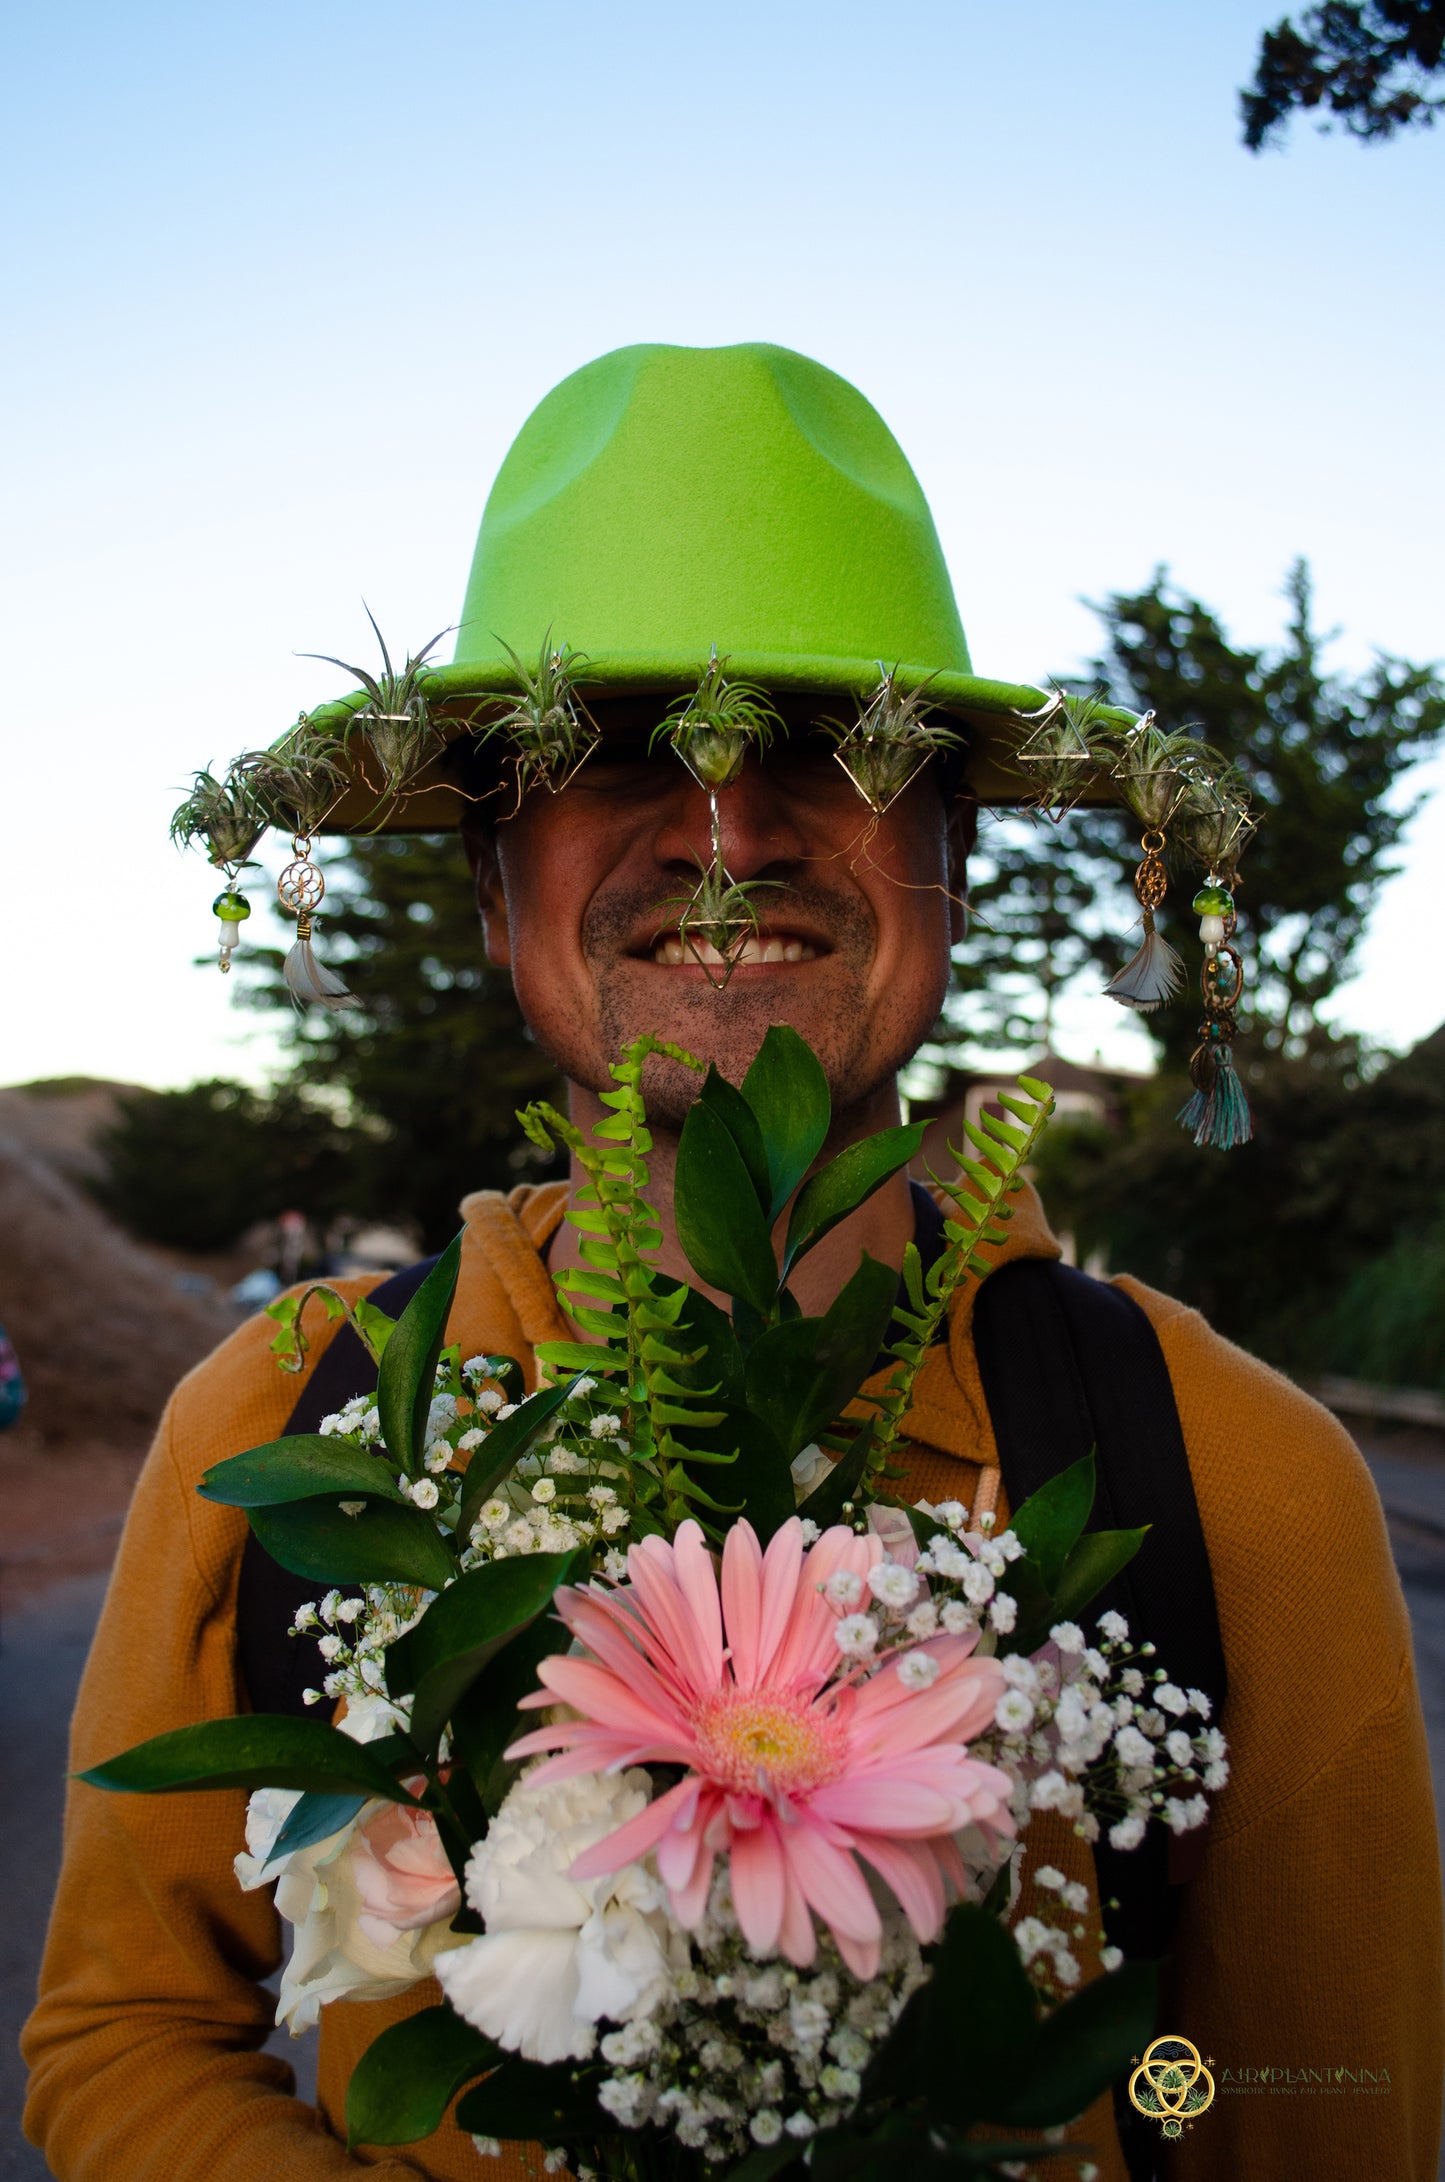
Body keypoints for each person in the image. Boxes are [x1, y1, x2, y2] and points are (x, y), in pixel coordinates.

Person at [23, 343, 1442, 2181]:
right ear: (484, 879)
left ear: (962, 856)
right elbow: (126, 2028)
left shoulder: (1233, 1476)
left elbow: (1312, 2117)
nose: (726, 827)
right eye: (605, 746)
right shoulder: (287, 1418)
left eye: (829, 742)